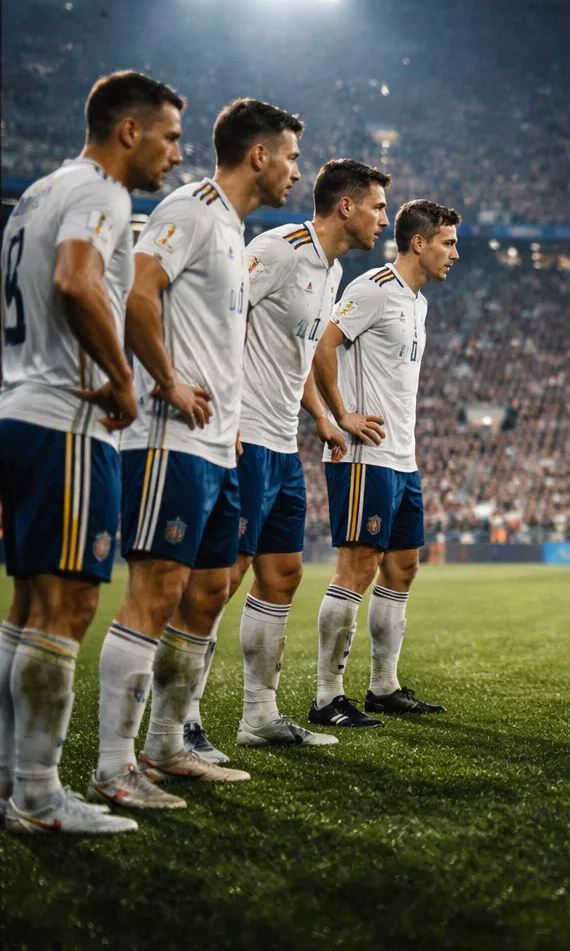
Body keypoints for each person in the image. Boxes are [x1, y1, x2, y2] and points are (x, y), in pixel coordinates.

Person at [89, 97, 305, 808]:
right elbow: (137, 296)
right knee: (155, 593)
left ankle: (166, 746)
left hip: (219, 444)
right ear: (259, 155)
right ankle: (115, 767)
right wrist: (168, 379)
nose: (296, 173)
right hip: (168, 438)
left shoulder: (230, 228)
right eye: (292, 158)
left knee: (209, 593)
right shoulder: (190, 207)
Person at [0, 71, 184, 834]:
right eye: (170, 136)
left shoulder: (34, 195)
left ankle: (11, 783)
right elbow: (77, 281)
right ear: (129, 131)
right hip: (67, 424)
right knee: (70, 604)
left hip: (17, 410)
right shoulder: (102, 193)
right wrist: (122, 379)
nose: (177, 153)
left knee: (24, 608)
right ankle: (39, 796)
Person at [181, 159, 391, 757]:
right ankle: (184, 721)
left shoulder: (332, 269)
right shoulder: (278, 250)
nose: (384, 219)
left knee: (283, 574)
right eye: (377, 206)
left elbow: (294, 356)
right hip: (244, 436)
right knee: (223, 578)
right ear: (346, 206)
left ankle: (259, 717)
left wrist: (325, 418)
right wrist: (228, 415)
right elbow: (222, 320)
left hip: (282, 445)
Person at [307, 199, 459, 728]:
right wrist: (340, 414)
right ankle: (327, 698)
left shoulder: (417, 302)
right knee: (358, 568)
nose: (454, 254)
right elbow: (323, 346)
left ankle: (383, 687)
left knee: (403, 566)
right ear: (419, 242)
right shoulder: (372, 288)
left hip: (402, 457)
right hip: (365, 456)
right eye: (448, 242)